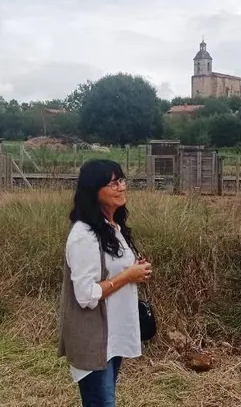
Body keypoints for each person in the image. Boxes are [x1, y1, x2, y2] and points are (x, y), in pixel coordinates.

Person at [58, 159, 153, 407]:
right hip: (95, 339)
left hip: (113, 335)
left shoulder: (113, 227)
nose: (121, 187)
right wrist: (127, 276)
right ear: (94, 191)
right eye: (113, 183)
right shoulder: (84, 235)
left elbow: (112, 269)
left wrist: (135, 270)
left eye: (121, 180)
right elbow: (86, 295)